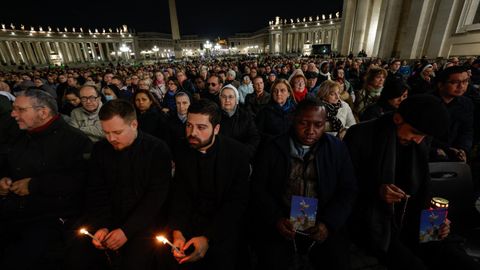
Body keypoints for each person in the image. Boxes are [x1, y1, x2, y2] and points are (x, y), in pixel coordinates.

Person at [343, 94, 480, 270]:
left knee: (461, 262)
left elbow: (424, 188)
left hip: (415, 219)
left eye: (424, 136)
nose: (418, 140)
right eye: (415, 133)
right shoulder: (362, 135)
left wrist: (437, 221)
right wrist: (377, 190)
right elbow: (345, 185)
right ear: (398, 118)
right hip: (375, 222)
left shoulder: (420, 141)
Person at [65, 99, 172, 270]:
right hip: (108, 218)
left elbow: (156, 197)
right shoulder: (100, 149)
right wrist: (102, 225)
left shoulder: (157, 149)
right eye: (106, 132)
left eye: (117, 132)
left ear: (134, 124)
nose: (111, 138)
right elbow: (96, 191)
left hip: (145, 223)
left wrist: (126, 231)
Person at [251, 98, 357, 270]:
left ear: (325, 124)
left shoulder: (336, 149)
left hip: (323, 220)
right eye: (304, 123)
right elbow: (258, 188)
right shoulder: (272, 147)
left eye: (318, 125)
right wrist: (276, 219)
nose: (310, 131)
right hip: (282, 220)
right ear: (294, 119)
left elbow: (348, 190)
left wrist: (329, 224)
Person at [1, 89, 92, 270]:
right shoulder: (17, 134)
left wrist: (35, 185)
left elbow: (81, 180)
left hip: (53, 221)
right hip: (13, 213)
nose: (13, 114)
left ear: (42, 112)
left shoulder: (74, 140)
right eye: (13, 109)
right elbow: (6, 162)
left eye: (20, 110)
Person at [168, 99, 250, 270]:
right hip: (190, 223)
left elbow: (236, 203)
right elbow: (179, 196)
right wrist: (177, 231)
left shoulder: (238, 154)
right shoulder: (181, 148)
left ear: (217, 129)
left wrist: (207, 238)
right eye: (189, 125)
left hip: (224, 227)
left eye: (201, 127)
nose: (192, 133)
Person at [431, 66, 473, 162]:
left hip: (455, 151)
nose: (461, 86)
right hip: (431, 151)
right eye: (454, 82)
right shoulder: (427, 102)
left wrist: (463, 149)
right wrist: (446, 149)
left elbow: (467, 130)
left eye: (465, 81)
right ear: (440, 84)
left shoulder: (466, 103)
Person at [219, 84, 260, 161]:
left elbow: (254, 137)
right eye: (224, 97)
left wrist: (245, 154)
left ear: (236, 100)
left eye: (231, 97)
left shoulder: (246, 116)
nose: (227, 100)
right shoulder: (214, 116)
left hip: (241, 158)